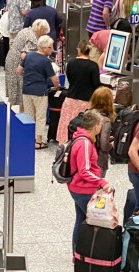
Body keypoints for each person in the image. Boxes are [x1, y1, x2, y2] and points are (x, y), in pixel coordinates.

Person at [67, 110, 110, 250]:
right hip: (83, 189)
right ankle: (86, 252)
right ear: (96, 126)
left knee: (80, 219)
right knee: (93, 221)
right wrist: (102, 182)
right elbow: (84, 170)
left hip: (77, 187)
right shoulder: (85, 143)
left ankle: (77, 252)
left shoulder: (80, 138)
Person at [57, 41, 101, 145]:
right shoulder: (93, 66)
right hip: (86, 102)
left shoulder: (71, 64)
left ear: (78, 50)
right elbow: (96, 84)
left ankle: (64, 145)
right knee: (83, 126)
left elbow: (70, 80)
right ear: (89, 51)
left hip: (70, 99)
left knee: (66, 124)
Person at [20, 36, 60, 150]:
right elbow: (54, 79)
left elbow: (19, 70)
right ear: (44, 48)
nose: (52, 49)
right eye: (50, 47)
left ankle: (28, 138)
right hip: (40, 92)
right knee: (40, 117)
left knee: (29, 116)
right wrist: (57, 87)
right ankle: (38, 142)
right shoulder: (45, 61)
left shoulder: (28, 55)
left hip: (26, 90)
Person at [5, 19, 50, 109]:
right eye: (44, 33)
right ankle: (23, 116)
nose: (45, 35)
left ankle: (9, 114)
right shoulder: (33, 38)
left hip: (10, 59)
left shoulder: (26, 30)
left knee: (13, 89)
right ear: (41, 30)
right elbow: (24, 56)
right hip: (17, 64)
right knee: (21, 91)